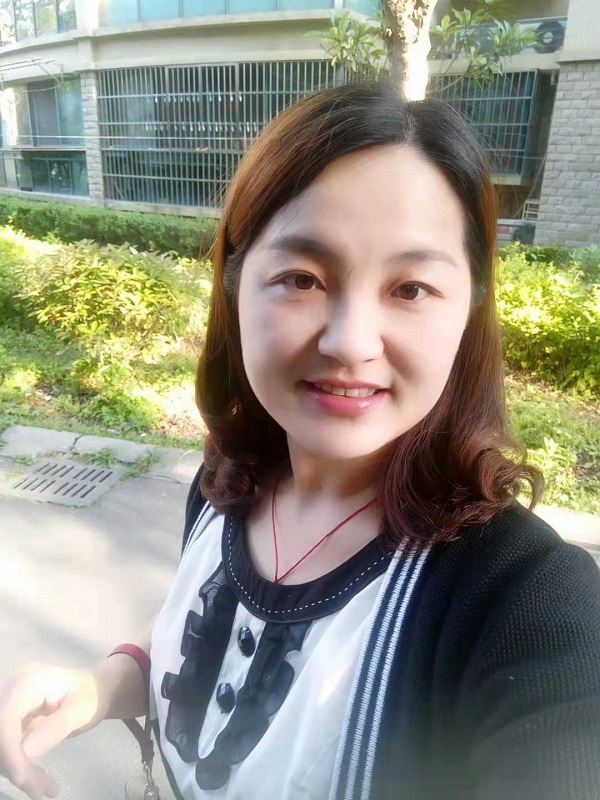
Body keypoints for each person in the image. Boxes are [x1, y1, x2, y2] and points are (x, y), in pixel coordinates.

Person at [1, 80, 600, 800]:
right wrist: (101, 686)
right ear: (234, 287)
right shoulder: (228, 483)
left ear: (468, 310)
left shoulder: (526, 605)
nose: (351, 342)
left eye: (410, 289)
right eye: (302, 278)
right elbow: (201, 635)